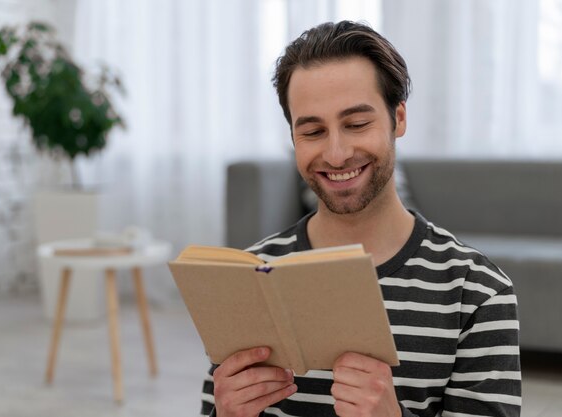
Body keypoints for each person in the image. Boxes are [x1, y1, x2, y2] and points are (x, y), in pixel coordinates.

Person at [200, 20, 521, 417]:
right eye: (313, 131)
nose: (335, 154)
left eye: (356, 124)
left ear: (398, 119)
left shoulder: (478, 292)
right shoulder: (250, 278)